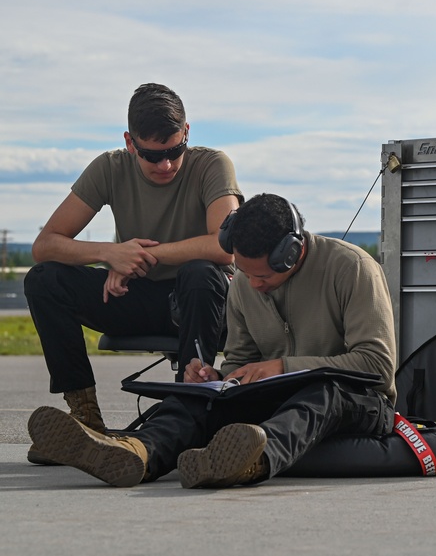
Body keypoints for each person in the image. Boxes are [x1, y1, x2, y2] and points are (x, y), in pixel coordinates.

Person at [27, 193, 398, 488]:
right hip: (275, 399)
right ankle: (136, 452)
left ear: (293, 252)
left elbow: (377, 367)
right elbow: (239, 360)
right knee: (195, 400)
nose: (252, 285)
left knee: (323, 393)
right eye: (245, 274)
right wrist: (218, 378)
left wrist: (284, 367)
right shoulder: (244, 286)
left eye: (263, 277)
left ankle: (251, 460)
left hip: (354, 401)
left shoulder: (352, 269)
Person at [23, 83, 241, 460]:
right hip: (140, 298)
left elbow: (224, 246)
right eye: (152, 156)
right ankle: (86, 422)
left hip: (205, 301)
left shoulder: (212, 164)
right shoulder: (109, 168)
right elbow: (45, 246)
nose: (166, 165)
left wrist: (141, 256)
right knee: (43, 280)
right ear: (129, 142)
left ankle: (189, 414)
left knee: (201, 272)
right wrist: (111, 253)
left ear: (187, 132)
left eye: (175, 151)